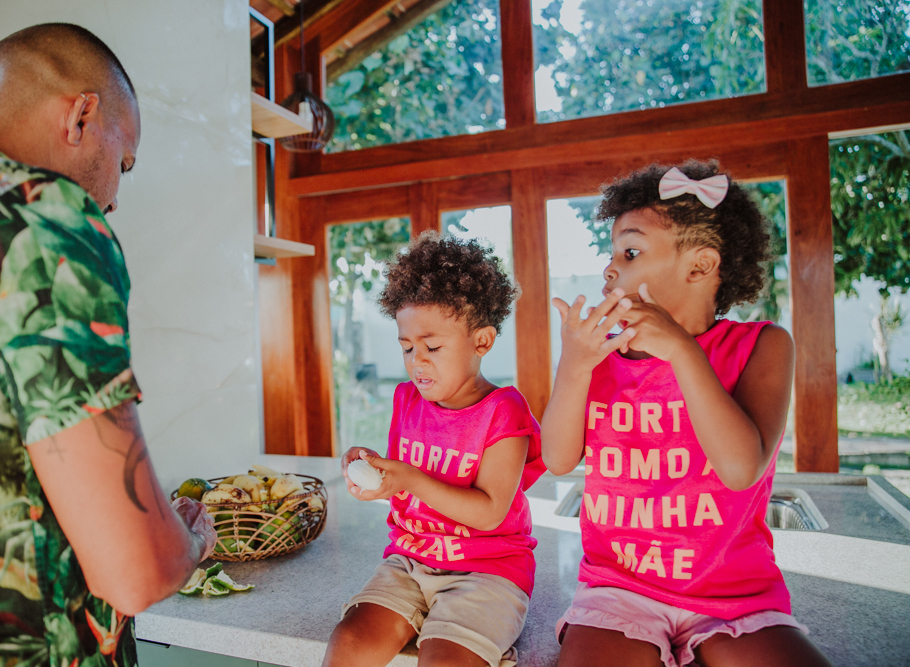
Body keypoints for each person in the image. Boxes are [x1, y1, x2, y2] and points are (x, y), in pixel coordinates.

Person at [0, 23, 216, 667]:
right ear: (81, 115)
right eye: (124, 163)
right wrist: (190, 542)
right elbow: (134, 571)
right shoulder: (42, 219)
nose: (113, 200)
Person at [541, 161, 832, 667]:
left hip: (735, 595)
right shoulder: (600, 356)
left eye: (630, 252)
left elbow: (741, 468)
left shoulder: (763, 346)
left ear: (700, 266)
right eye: (611, 253)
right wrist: (574, 365)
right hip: (618, 589)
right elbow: (558, 459)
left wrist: (681, 349)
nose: (609, 268)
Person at [322, 233, 546, 667]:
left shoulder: (504, 411)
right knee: (349, 641)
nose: (417, 361)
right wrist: (378, 474)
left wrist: (409, 477)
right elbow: (406, 486)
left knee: (445, 660)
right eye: (407, 347)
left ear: (482, 341)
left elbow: (490, 512)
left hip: (488, 571)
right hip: (409, 560)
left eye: (433, 347)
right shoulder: (407, 398)